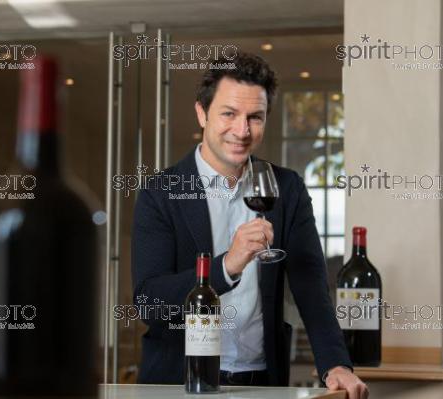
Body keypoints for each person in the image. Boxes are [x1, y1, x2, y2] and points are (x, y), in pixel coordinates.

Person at [132, 52, 369, 399]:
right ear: (202, 112)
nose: (242, 131)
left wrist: (336, 365)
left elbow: (311, 288)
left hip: (261, 381)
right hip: (177, 382)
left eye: (254, 117)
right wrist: (228, 266)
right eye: (229, 114)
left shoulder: (286, 188)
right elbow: (149, 302)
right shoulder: (161, 192)